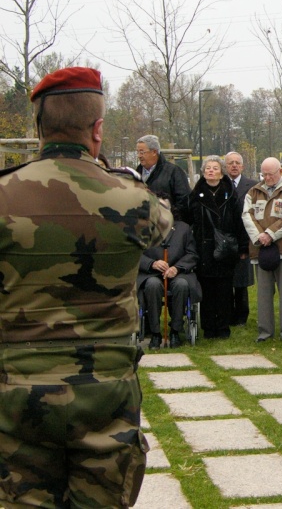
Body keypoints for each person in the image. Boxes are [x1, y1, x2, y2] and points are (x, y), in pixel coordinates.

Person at [0, 67, 172, 507]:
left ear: (37, 127)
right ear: (98, 130)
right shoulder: (131, 199)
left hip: (16, 391)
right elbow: (163, 227)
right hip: (105, 390)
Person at [243, 157, 282, 344]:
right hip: (261, 250)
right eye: (264, 174)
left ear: (281, 172)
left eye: (271, 174)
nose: (267, 177)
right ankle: (264, 332)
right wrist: (260, 236)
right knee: (263, 293)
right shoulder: (253, 192)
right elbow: (247, 215)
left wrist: (270, 234)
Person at [189, 155, 247, 340]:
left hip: (225, 247)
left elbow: (239, 222)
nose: (211, 171)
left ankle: (223, 326)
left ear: (221, 174)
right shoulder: (196, 194)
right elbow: (189, 220)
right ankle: (208, 327)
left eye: (215, 168)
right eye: (208, 168)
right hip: (203, 248)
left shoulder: (230, 194)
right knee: (207, 289)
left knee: (223, 289)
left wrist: (242, 247)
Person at [137, 194, 202, 349]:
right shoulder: (143, 229)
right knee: (152, 285)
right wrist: (152, 263)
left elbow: (192, 254)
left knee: (181, 285)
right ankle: (154, 333)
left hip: (178, 273)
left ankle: (175, 331)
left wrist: (176, 268)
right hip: (151, 274)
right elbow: (135, 254)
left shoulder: (183, 228)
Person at [226, 151, 258, 326]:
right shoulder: (220, 185)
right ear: (226, 166)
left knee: (241, 281)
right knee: (225, 281)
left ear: (242, 166)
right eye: (230, 163)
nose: (234, 165)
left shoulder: (252, 186)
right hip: (224, 240)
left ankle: (241, 316)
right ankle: (227, 314)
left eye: (237, 163)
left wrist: (247, 245)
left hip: (244, 240)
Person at [135, 134, 191, 221]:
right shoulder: (136, 174)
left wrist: (171, 220)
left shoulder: (174, 172)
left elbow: (184, 202)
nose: (139, 155)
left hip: (167, 227)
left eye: (142, 152)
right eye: (137, 152)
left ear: (154, 152)